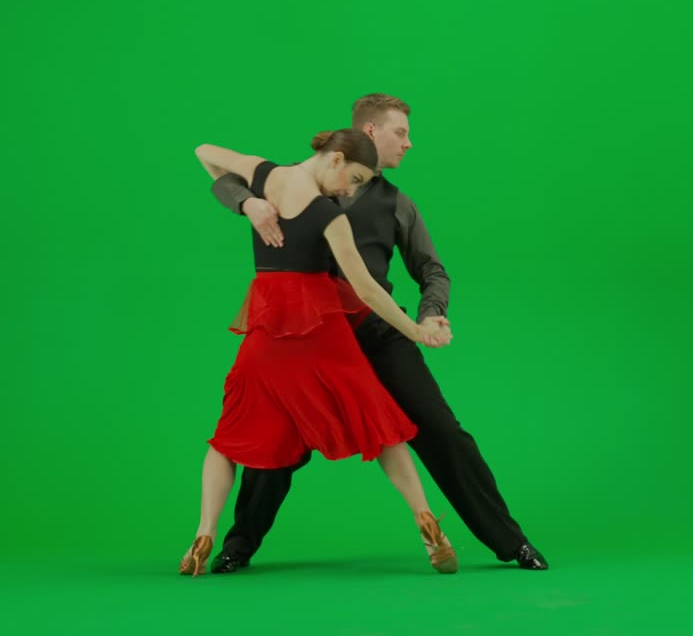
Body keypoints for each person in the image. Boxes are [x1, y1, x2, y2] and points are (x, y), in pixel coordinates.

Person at [209, 94, 548, 572]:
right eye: (400, 133)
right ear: (368, 134)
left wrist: (431, 315)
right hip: (311, 340)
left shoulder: (397, 205)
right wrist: (248, 204)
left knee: (442, 433)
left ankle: (512, 543)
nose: (409, 143)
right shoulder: (294, 181)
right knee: (275, 444)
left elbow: (433, 271)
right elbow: (222, 177)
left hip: (376, 334)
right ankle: (236, 548)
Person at [180, 128, 458, 577]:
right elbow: (367, 290)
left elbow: (205, 152)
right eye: (353, 178)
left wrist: (248, 203)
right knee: (379, 423)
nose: (351, 190)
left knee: (229, 436)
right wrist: (414, 330)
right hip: (322, 329)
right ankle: (427, 522)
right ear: (335, 159)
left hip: (268, 329)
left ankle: (203, 532)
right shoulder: (329, 215)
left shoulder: (265, 174)